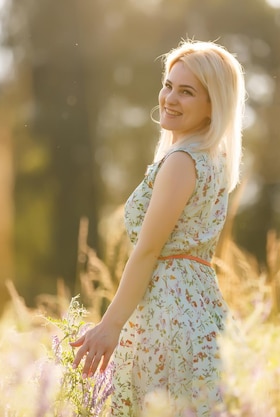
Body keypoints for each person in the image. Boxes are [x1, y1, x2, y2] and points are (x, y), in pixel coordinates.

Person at [70, 39, 246, 416]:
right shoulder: (213, 159)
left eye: (187, 92)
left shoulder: (183, 161)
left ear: (213, 105)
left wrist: (109, 326)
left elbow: (149, 250)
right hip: (203, 311)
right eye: (169, 85)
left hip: (167, 318)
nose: (169, 98)